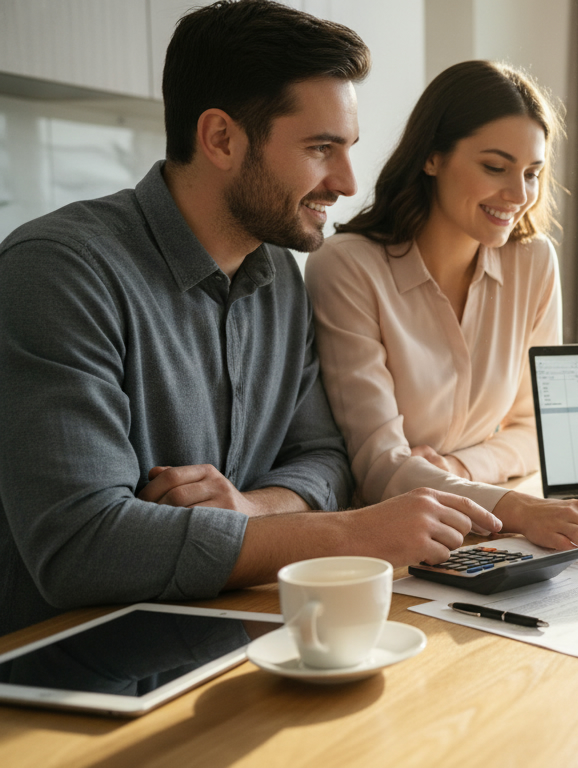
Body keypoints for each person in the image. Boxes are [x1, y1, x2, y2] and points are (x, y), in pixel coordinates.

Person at [0, 0, 504, 637]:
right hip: (65, 669)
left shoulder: (278, 278)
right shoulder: (58, 271)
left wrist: (250, 507)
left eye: (347, 149)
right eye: (321, 148)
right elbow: (83, 545)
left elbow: (323, 458)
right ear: (220, 139)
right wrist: (349, 533)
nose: (347, 182)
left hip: (226, 629)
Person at [304, 61, 578, 555]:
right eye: (495, 168)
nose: (519, 195)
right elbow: (378, 468)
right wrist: (517, 508)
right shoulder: (347, 268)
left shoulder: (534, 262)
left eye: (532, 173)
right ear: (432, 157)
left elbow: (537, 430)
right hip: (393, 542)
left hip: (489, 529)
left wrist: (460, 468)